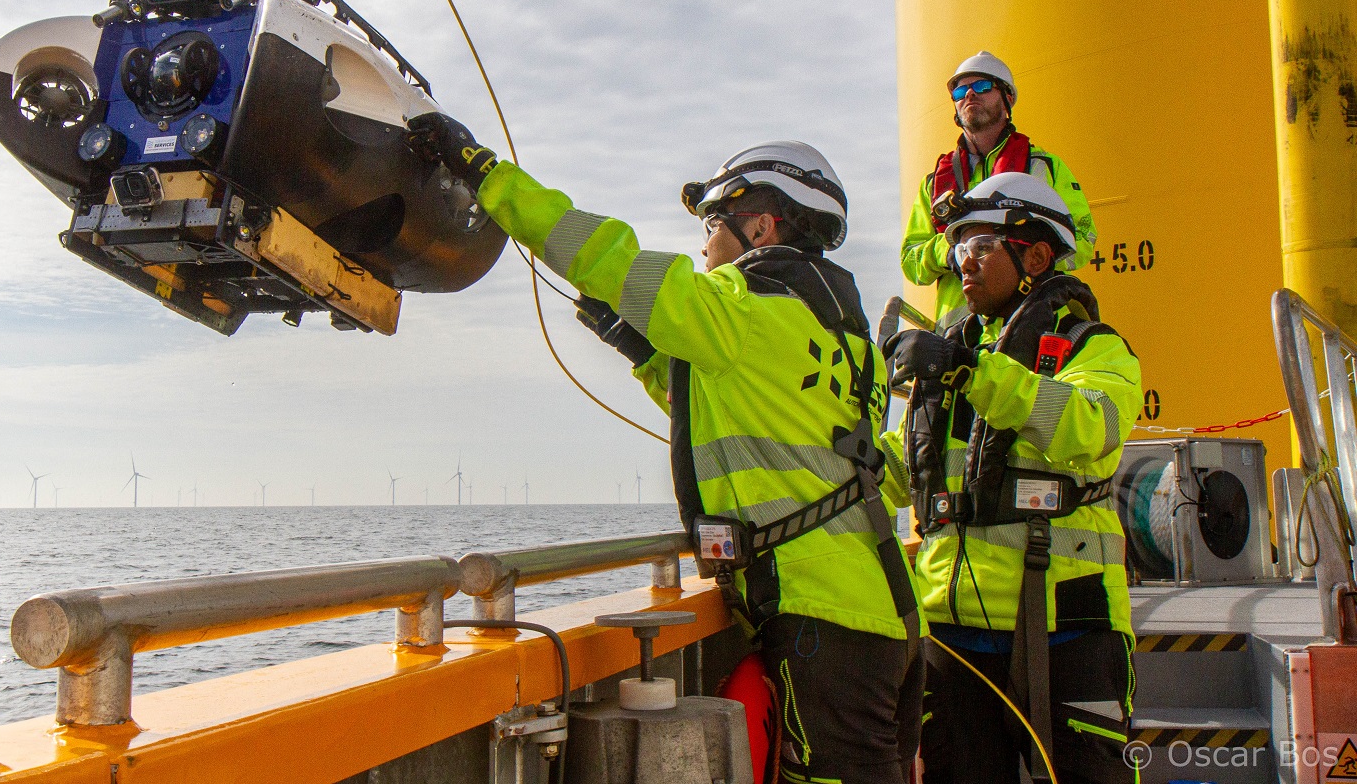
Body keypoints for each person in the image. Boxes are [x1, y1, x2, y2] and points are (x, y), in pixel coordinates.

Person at [404, 115, 924, 784]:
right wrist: (640, 350)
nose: (703, 244)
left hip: (823, 619)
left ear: (761, 227)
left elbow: (601, 252)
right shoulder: (843, 335)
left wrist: (485, 173)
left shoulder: (741, 306)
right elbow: (737, 409)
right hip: (885, 610)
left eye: (713, 223)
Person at [882, 171, 1140, 784]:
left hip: (1067, 627)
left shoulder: (1093, 349)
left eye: (981, 245)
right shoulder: (956, 356)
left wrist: (971, 372)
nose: (962, 262)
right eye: (957, 248)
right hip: (951, 633)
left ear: (1038, 257)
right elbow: (901, 467)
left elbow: (1091, 425)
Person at [903, 51, 1096, 331]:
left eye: (982, 86)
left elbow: (1083, 239)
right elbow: (910, 261)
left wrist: (1026, 252)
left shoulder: (1045, 168)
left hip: (1029, 327)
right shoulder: (933, 183)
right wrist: (951, 250)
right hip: (960, 337)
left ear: (1008, 98)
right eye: (960, 91)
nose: (970, 94)